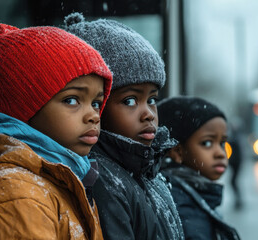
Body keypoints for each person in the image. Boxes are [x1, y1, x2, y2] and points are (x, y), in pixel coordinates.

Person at [64, 13, 184, 240]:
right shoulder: (101, 181)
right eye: (130, 101)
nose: (148, 113)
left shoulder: (146, 170)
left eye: (152, 100)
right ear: (96, 107)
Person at [0, 23, 112, 239]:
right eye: (72, 100)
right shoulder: (18, 191)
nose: (93, 115)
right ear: (22, 109)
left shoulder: (66, 177)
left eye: (96, 103)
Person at [157, 96, 240, 240]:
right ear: (177, 152)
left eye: (222, 143)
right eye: (207, 143)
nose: (220, 154)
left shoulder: (192, 197)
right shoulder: (182, 208)